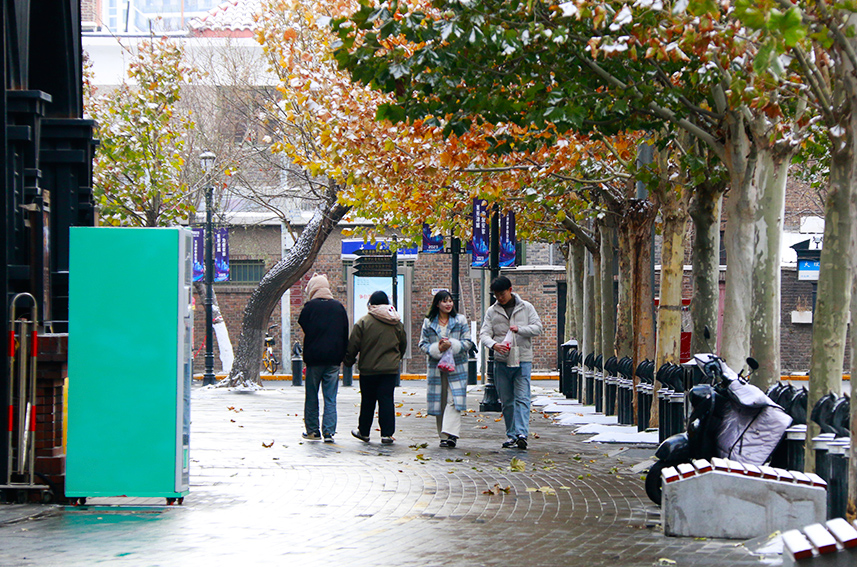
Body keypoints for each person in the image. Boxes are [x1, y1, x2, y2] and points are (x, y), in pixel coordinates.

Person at [480, 276, 543, 449]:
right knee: (507, 400)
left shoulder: (526, 307)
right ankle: (512, 434)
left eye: (502, 294)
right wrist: (494, 345)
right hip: (501, 360)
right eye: (496, 295)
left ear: (510, 290)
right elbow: (484, 334)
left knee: (523, 397)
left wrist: (520, 329)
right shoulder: (492, 312)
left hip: (522, 359)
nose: (499, 298)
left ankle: (522, 433)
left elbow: (538, 327)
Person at [344, 291, 407, 445]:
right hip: (389, 370)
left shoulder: (363, 322)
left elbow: (353, 345)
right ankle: (387, 434)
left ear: (370, 304)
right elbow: (403, 344)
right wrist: (395, 359)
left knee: (368, 401)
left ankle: (364, 432)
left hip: (368, 369)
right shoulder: (396, 322)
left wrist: (348, 360)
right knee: (386, 400)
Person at [298, 273, 349, 442]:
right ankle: (329, 432)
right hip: (334, 359)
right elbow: (344, 331)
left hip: (314, 359)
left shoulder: (309, 307)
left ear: (313, 288)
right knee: (330, 397)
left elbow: (303, 323)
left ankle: (312, 430)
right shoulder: (338, 307)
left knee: (312, 395)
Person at [419, 290, 473, 448]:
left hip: (457, 366)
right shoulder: (429, 322)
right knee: (440, 400)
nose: (448, 304)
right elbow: (423, 344)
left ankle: (451, 434)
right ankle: (443, 436)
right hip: (437, 367)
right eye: (444, 301)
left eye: (450, 301)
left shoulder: (460, 320)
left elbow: (468, 342)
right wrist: (438, 348)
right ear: (437, 304)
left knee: (454, 399)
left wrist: (453, 345)